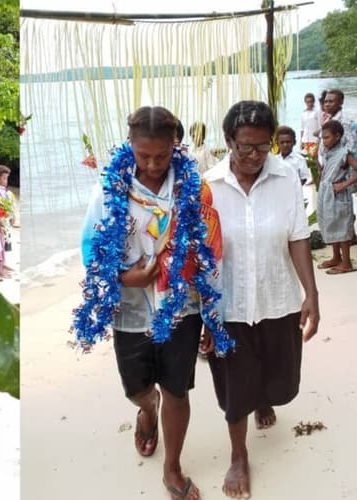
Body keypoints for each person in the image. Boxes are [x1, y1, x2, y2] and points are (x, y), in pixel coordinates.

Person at [73, 106, 226, 500]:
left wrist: (212, 314)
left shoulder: (194, 189)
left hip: (181, 305)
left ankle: (172, 468)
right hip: (130, 305)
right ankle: (146, 409)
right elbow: (92, 252)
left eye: (162, 154)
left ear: (176, 145)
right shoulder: (109, 190)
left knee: (178, 388)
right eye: (144, 156)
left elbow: (209, 251)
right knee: (136, 387)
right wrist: (128, 278)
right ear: (131, 146)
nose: (154, 164)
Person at [203, 100, 319, 499]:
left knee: (280, 382)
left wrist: (311, 295)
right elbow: (199, 253)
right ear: (228, 142)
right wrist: (202, 312)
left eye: (262, 147)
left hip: (276, 298)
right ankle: (238, 455)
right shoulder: (209, 185)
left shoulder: (286, 177)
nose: (253, 156)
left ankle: (262, 401)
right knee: (235, 387)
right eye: (244, 147)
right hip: (227, 304)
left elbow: (298, 237)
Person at [316, 120, 357, 274]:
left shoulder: (344, 153)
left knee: (342, 227)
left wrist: (344, 184)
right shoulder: (329, 153)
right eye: (322, 138)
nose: (323, 141)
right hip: (327, 193)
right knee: (330, 223)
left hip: (339, 194)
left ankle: (346, 263)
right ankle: (336, 257)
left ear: (337, 136)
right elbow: (326, 170)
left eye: (326, 137)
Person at [299, 92, 320, 156]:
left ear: (313, 102)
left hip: (314, 140)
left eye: (311, 101)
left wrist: (319, 140)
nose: (309, 103)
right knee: (305, 159)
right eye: (307, 102)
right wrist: (301, 141)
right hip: (305, 140)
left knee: (313, 159)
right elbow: (302, 128)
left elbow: (320, 126)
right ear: (305, 102)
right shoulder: (303, 113)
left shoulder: (317, 112)